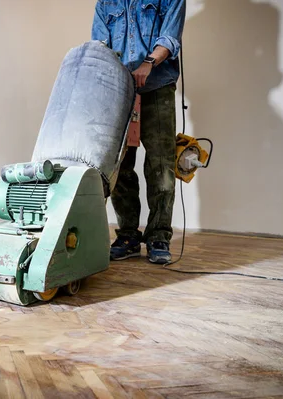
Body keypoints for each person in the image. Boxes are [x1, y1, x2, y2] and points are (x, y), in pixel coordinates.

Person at [91, 0, 186, 264]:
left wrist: (148, 63)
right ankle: (128, 236)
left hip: (157, 87)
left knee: (161, 165)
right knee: (118, 167)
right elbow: (100, 46)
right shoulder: (105, 4)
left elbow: (170, 36)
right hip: (119, 91)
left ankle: (158, 236)